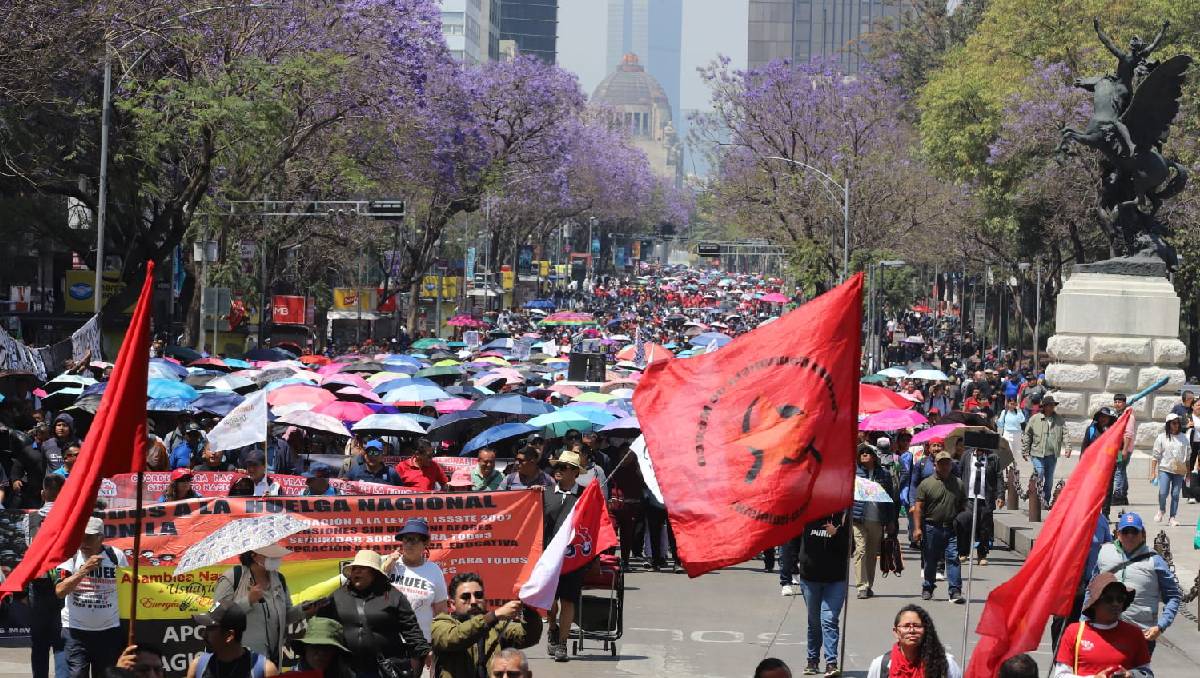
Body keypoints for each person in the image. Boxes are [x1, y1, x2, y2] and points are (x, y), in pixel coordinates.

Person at [318, 550, 430, 677]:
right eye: (354, 568)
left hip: (383, 671)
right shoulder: (337, 596)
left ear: (375, 573)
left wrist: (415, 671)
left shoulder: (394, 596)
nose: (356, 571)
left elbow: (413, 634)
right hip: (345, 670)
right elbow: (320, 629)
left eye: (362, 568)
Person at [1093, 512, 1181, 654]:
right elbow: (1092, 589)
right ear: (1118, 534)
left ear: (1142, 534)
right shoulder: (1104, 553)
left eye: (1134, 531)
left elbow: (1173, 596)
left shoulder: (1155, 561)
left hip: (1140, 634)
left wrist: (1161, 626)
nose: (1130, 536)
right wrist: (1084, 620)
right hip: (1105, 631)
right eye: (1125, 531)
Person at [430, 572, 542, 678]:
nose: (473, 601)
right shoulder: (440, 624)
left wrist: (529, 607)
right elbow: (456, 637)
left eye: (478, 595)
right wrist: (494, 615)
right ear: (452, 604)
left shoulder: (495, 626)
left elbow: (528, 636)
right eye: (465, 597)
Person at [56, 516, 128, 678]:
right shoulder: (70, 555)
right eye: (80, 537)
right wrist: (83, 571)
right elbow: (60, 590)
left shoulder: (116, 556)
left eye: (88, 538)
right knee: (77, 675)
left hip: (108, 632)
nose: (83, 543)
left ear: (101, 537)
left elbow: (127, 589)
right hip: (75, 631)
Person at [213, 544, 308, 666]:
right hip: (239, 663)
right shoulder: (232, 577)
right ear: (254, 556)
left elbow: (286, 616)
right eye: (270, 556)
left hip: (271, 662)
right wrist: (248, 601)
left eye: (276, 556)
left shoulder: (279, 579)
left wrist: (303, 610)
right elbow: (215, 613)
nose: (276, 560)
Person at [1052, 573, 1152, 677]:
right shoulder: (1074, 631)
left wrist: (1130, 675)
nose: (1115, 603)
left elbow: (1147, 673)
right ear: (1095, 603)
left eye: (1120, 599)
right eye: (1108, 599)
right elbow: (1061, 675)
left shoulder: (1134, 634)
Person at [542, 451, 585, 662]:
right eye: (557, 466)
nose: (558, 470)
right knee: (551, 600)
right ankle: (552, 627)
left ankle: (562, 643)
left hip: (574, 558)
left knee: (568, 600)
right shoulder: (545, 494)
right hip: (549, 557)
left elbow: (595, 526)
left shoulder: (586, 496)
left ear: (576, 472)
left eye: (564, 467)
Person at [796, 511, 849, 676]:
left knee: (829, 620)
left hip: (835, 580)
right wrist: (793, 563)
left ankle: (831, 663)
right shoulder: (807, 514)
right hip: (810, 579)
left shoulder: (843, 517)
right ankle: (812, 660)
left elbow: (850, 548)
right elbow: (793, 541)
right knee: (814, 621)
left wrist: (836, 534)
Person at [25, 473, 66, 678]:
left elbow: (28, 550)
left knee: (39, 641)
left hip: (39, 583)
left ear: (43, 493)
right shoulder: (70, 517)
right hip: (65, 582)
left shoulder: (31, 517)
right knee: (61, 639)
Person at [382, 518, 449, 643]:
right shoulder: (389, 564)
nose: (408, 544)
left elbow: (442, 612)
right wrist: (384, 571)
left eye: (414, 540)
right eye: (406, 539)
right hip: (389, 642)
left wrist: (437, 645)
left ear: (425, 543)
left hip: (421, 643)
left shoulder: (434, 571)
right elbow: (371, 596)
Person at [913, 451, 966, 603]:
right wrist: (917, 528)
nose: (945, 466)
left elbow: (963, 504)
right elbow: (918, 508)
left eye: (947, 463)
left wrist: (964, 519)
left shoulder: (958, 483)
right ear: (935, 465)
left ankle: (955, 590)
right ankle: (928, 587)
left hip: (951, 528)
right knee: (930, 559)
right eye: (941, 463)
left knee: (953, 558)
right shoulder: (926, 484)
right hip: (931, 527)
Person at [187, 601, 280, 678]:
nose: (204, 634)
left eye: (210, 628)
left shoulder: (266, 670)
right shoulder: (197, 666)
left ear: (230, 635)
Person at [866, 604, 962, 678]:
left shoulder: (944, 663)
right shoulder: (881, 665)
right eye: (906, 626)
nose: (912, 630)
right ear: (896, 632)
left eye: (917, 626)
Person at [852, 445, 897, 599]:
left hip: (877, 519)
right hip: (858, 518)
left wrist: (891, 521)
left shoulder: (884, 475)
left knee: (871, 554)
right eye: (861, 453)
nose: (864, 455)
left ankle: (869, 585)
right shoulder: (854, 473)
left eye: (868, 452)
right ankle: (861, 586)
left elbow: (890, 499)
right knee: (861, 550)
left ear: (875, 456)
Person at [955, 443, 1001, 565]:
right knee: (965, 523)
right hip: (968, 496)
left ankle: (982, 554)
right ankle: (964, 552)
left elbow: (999, 476)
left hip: (985, 497)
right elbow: (959, 473)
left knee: (984, 527)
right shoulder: (966, 455)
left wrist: (1000, 495)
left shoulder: (993, 457)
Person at [1021, 394, 1066, 504]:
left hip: (1051, 454)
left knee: (1049, 480)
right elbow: (1027, 434)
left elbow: (1065, 433)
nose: (1051, 407)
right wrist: (1025, 450)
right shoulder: (1035, 419)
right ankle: (1035, 495)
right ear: (1044, 406)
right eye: (1049, 405)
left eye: (1053, 405)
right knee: (1040, 472)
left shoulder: (1059, 419)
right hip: (1037, 453)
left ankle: (1044, 500)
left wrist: (1068, 447)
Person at [1150, 413, 1189, 525]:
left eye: (1178, 423)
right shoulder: (1161, 437)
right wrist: (1153, 472)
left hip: (1179, 470)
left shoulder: (1183, 437)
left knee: (1176, 494)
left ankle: (1172, 517)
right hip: (1165, 469)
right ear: (1168, 424)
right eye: (1174, 423)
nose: (1176, 425)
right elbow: (1155, 456)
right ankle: (1162, 510)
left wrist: (1188, 472)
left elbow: (1188, 456)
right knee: (1163, 492)